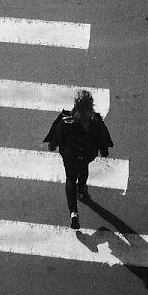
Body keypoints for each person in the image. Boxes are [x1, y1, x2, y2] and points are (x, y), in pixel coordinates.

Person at [43, 90, 113, 230]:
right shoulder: (96, 120)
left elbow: (57, 137)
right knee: (83, 168)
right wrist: (104, 152)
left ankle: (74, 213)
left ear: (75, 104)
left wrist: (52, 145)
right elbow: (103, 139)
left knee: (70, 178)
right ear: (91, 104)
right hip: (87, 154)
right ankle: (81, 191)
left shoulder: (66, 120)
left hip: (70, 156)